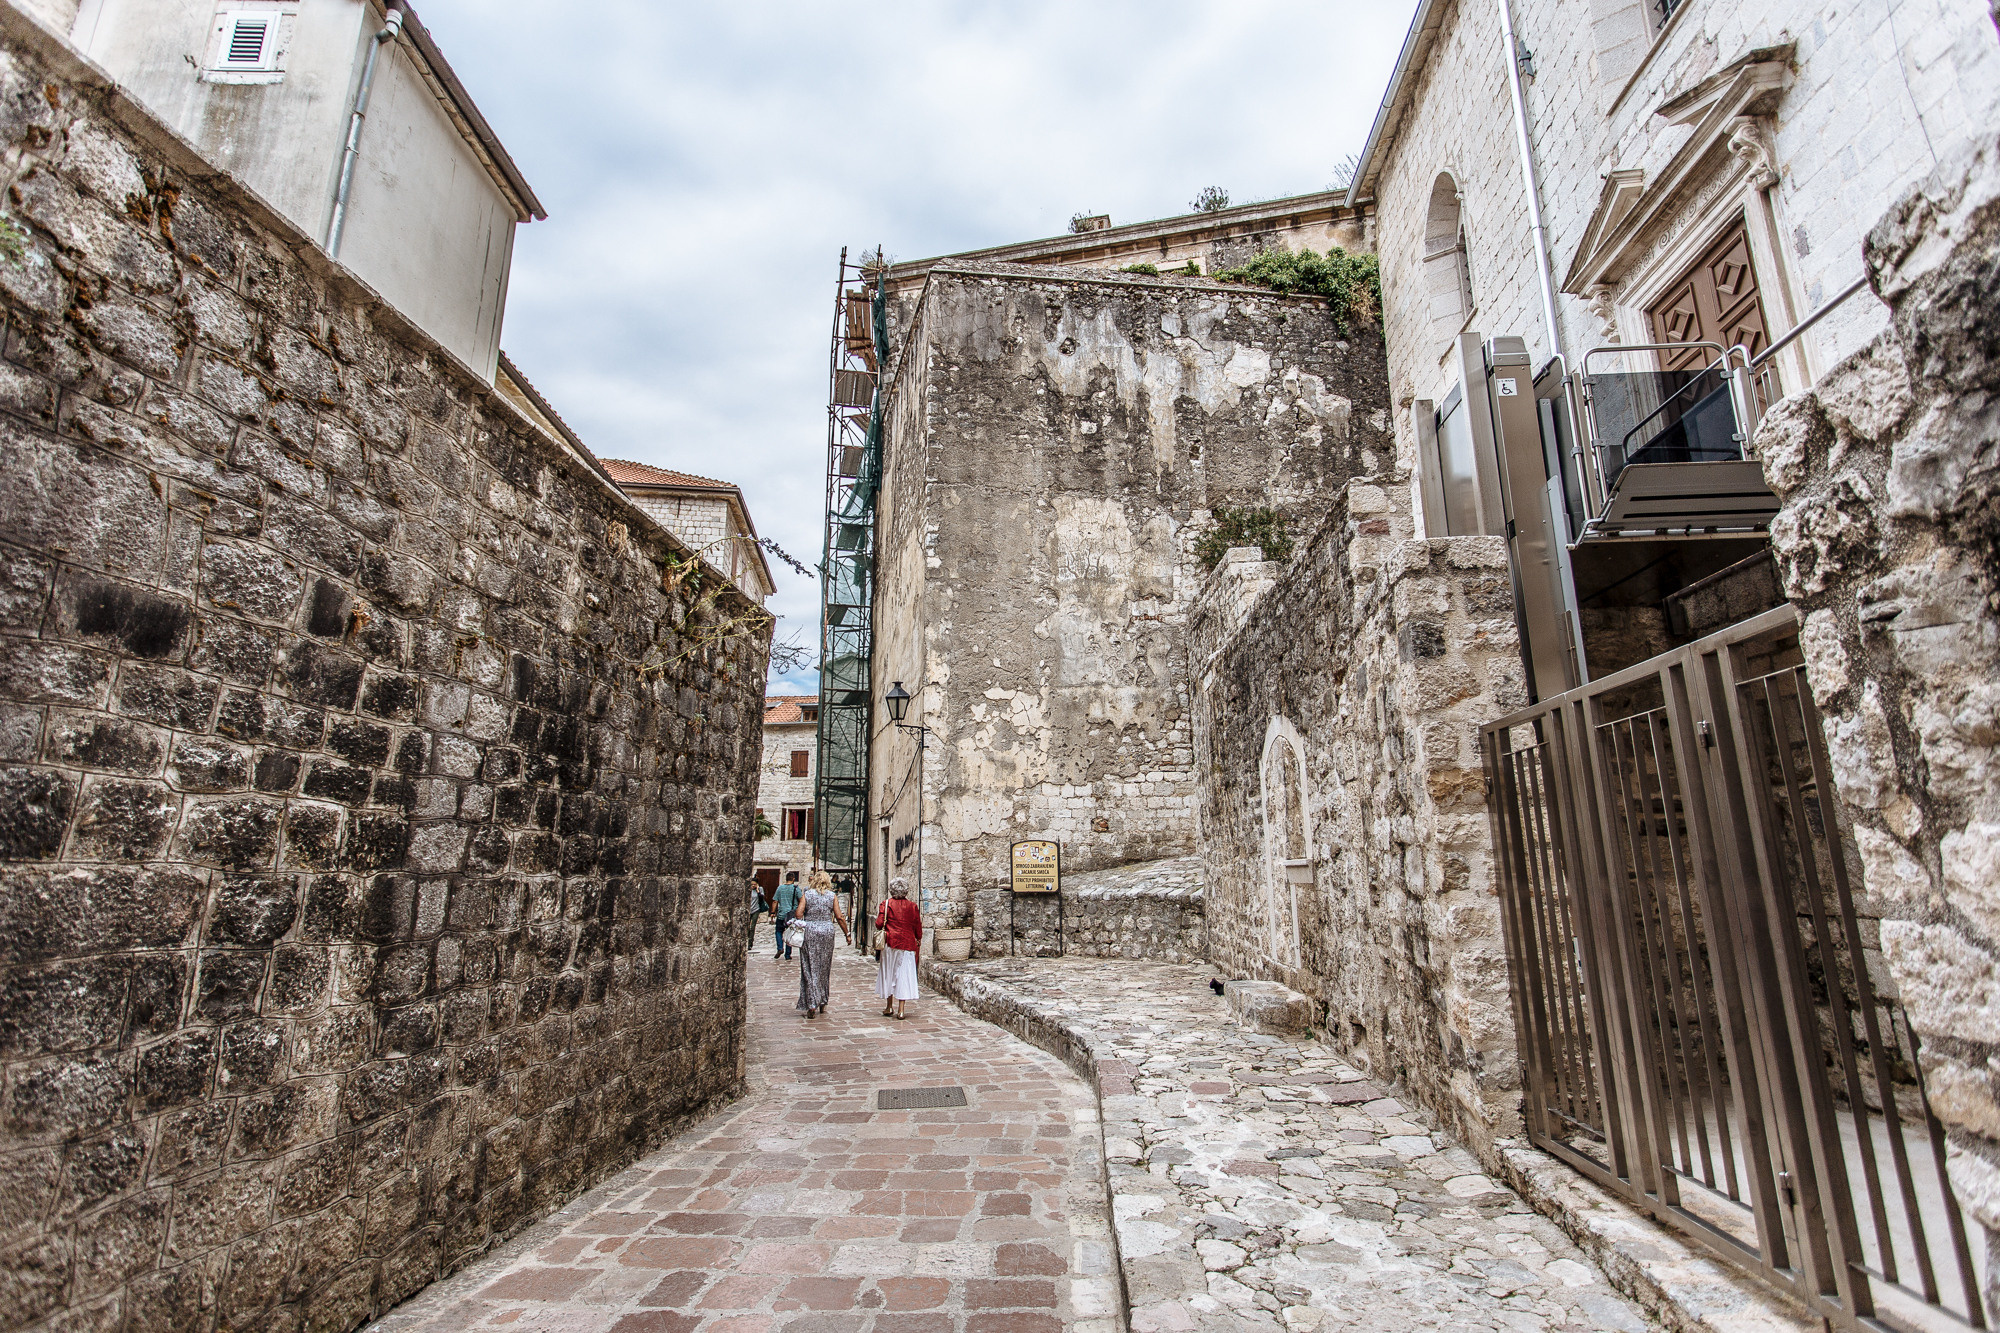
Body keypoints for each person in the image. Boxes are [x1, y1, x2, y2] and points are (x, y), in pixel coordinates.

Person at [795, 868, 851, 1018]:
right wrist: (847, 934)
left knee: (809, 967)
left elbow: (799, 914)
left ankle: (811, 1003)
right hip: (827, 931)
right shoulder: (832, 896)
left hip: (811, 931)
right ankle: (822, 1001)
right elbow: (839, 916)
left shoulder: (807, 894)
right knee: (824, 968)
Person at [875, 877, 922, 1020]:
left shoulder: (886, 904)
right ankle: (901, 1010)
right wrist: (918, 937)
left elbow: (878, 924)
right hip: (907, 944)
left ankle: (889, 1006)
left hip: (890, 943)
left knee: (889, 972)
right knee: (904, 975)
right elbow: (917, 925)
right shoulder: (912, 906)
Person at [772, 871, 802, 962]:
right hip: (791, 915)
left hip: (781, 914)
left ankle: (780, 947)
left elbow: (775, 901)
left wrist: (773, 912)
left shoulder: (780, 888)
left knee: (778, 931)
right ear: (793, 879)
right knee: (790, 933)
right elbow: (801, 900)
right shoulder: (796, 889)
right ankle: (788, 955)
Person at [748, 880, 768, 950]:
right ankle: (747, 940)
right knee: (747, 927)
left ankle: (750, 943)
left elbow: (762, 898)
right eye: (752, 884)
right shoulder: (748, 889)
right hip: (748, 910)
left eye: (754, 884)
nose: (753, 886)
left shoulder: (760, 889)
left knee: (752, 927)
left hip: (756, 909)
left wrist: (758, 891)